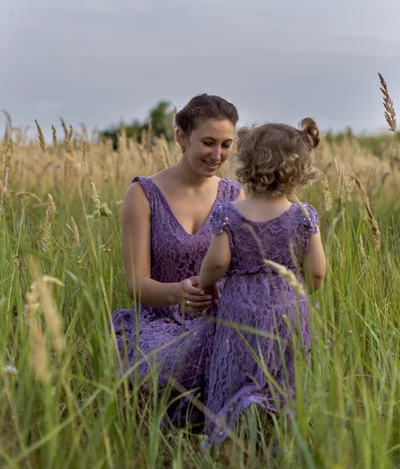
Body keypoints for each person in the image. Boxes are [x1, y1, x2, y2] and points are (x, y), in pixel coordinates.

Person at [111, 93, 245, 425]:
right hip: (160, 320)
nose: (217, 155)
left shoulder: (235, 196)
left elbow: (242, 271)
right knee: (172, 360)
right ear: (181, 137)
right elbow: (135, 284)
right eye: (209, 142)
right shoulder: (143, 194)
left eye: (226, 144)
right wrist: (177, 292)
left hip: (220, 318)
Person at [198, 117, 326, 446]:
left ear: (248, 164)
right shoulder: (303, 215)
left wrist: (208, 284)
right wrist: (302, 294)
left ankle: (234, 429)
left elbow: (216, 263)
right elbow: (317, 272)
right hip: (289, 306)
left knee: (239, 370)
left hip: (241, 306)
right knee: (287, 373)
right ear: (299, 169)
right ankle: (282, 435)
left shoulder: (230, 213)